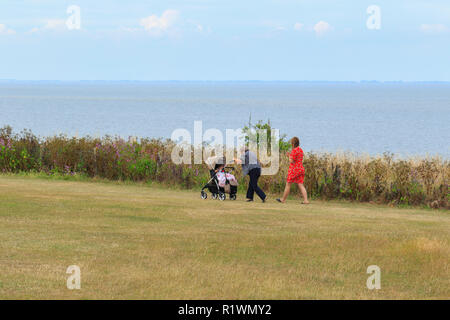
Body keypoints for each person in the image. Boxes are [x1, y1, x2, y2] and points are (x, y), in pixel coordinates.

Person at [276, 137, 309, 204]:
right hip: (301, 168)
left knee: (288, 184)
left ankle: (283, 199)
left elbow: (292, 161)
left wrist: (289, 156)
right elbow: (299, 159)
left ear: (293, 143)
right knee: (300, 184)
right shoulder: (300, 150)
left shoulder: (294, 150)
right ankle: (306, 200)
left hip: (294, 169)